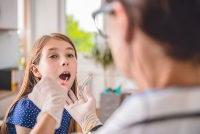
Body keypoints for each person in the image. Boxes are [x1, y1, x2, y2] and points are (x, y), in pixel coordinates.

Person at [0, 33, 78, 134]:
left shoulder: (67, 104)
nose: (65, 61)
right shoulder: (26, 107)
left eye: (70, 55)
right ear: (36, 70)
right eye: (53, 56)